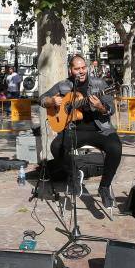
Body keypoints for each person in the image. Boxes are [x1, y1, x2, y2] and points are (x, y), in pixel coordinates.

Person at [40, 55, 122, 209]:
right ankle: (74, 174)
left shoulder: (100, 84)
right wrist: (51, 101)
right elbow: (42, 98)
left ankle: (104, 187)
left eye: (83, 67)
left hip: (100, 129)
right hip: (74, 130)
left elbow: (110, 110)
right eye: (77, 68)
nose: (81, 71)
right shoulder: (63, 85)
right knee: (56, 146)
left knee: (116, 148)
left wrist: (100, 107)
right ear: (71, 70)